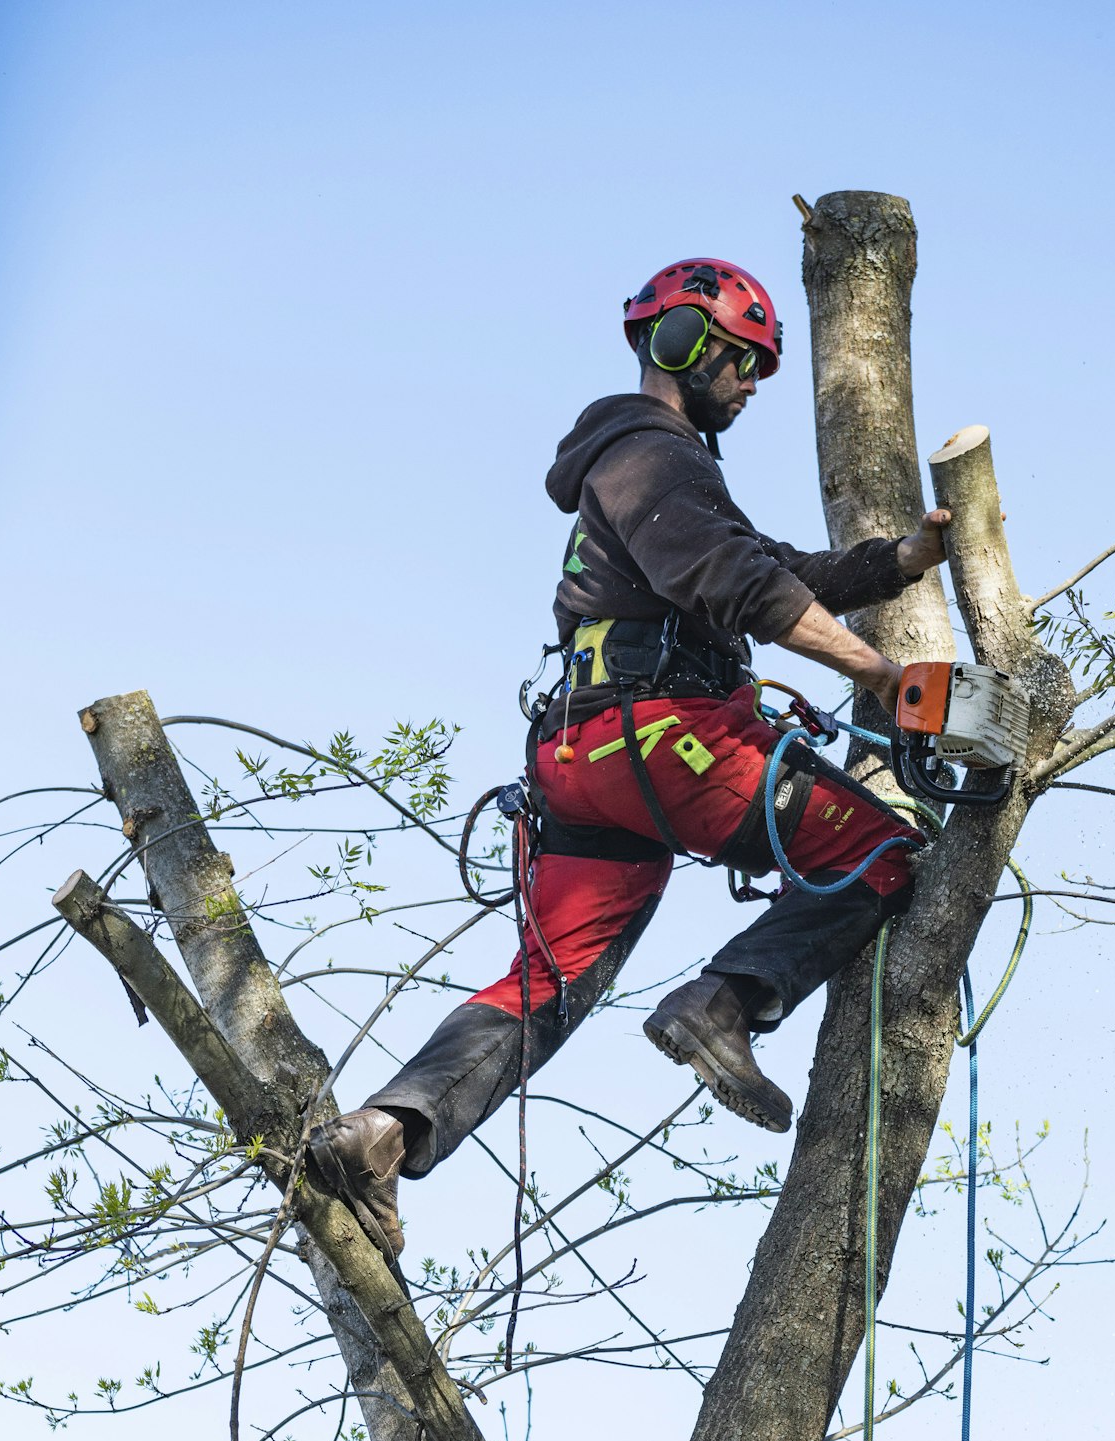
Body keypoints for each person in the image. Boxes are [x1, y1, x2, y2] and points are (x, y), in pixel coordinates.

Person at [307, 256, 953, 1259]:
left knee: (550, 976)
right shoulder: (652, 452)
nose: (749, 382)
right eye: (740, 360)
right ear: (680, 343)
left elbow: (765, 560)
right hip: (665, 737)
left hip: (584, 756)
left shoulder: (649, 468)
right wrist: (878, 673)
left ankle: (385, 1132)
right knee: (883, 847)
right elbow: (738, 580)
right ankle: (722, 1003)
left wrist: (892, 563)